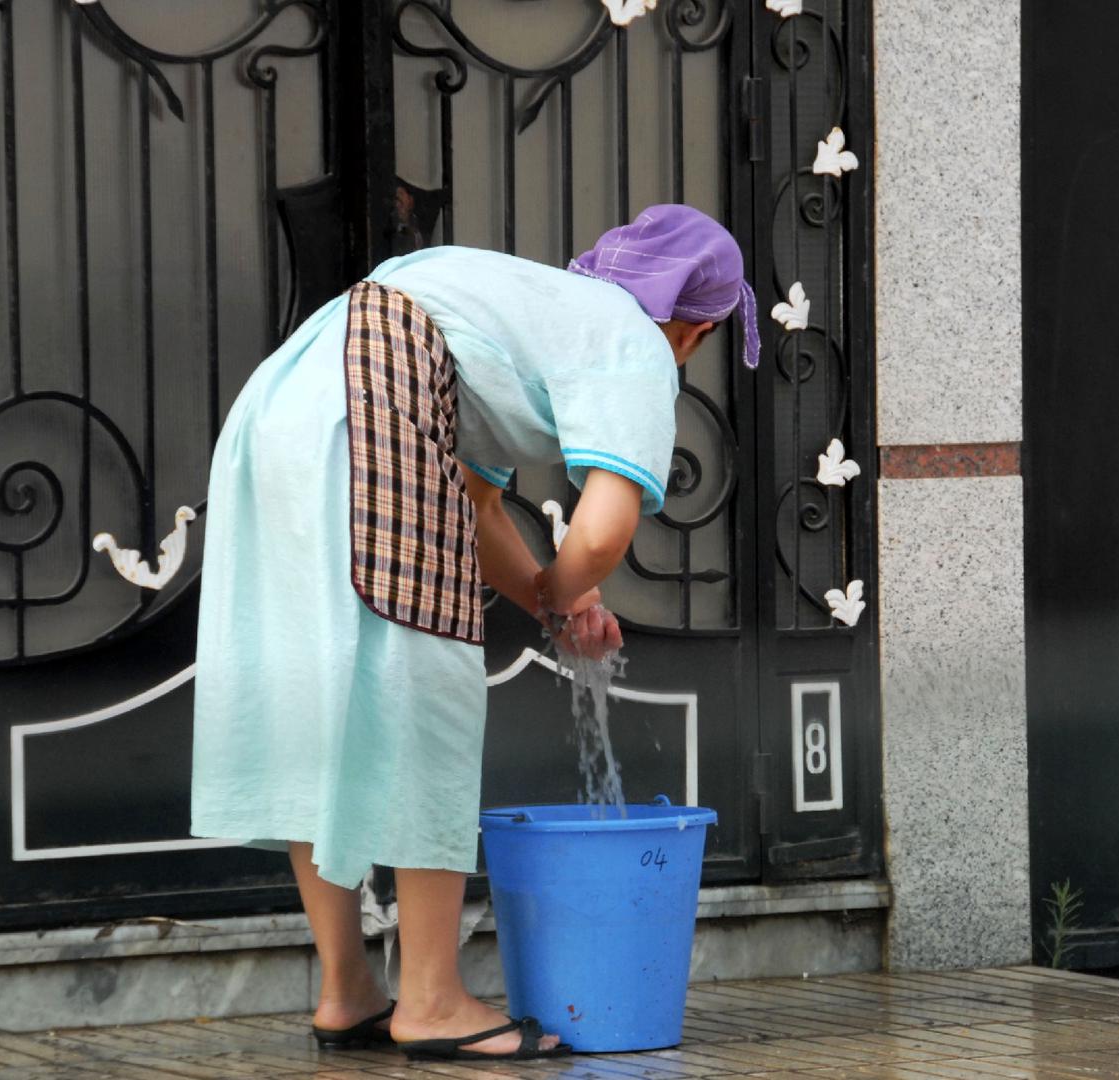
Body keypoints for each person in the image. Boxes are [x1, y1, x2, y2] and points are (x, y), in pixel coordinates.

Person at [189, 204, 759, 1061]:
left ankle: (349, 988)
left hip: (281, 411)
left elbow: (479, 504)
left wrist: (549, 595)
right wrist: (573, 592)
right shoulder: (632, 340)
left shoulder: (533, 307)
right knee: (428, 692)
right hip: (366, 413)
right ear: (697, 326)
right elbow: (601, 531)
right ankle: (431, 1000)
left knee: (316, 698)